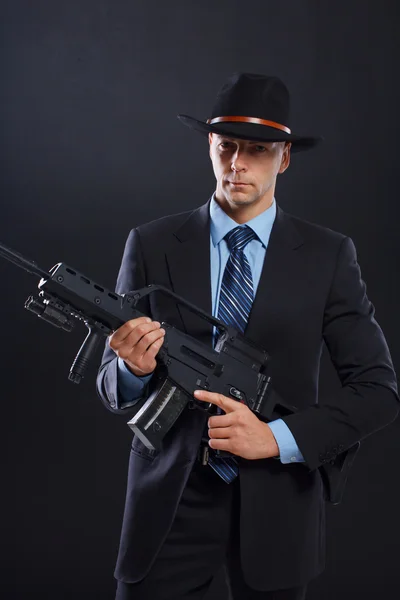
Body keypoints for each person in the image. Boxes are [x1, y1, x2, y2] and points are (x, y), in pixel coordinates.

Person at [96, 73, 399, 600]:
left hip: (278, 505)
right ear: (209, 147)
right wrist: (131, 368)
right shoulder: (150, 243)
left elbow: (378, 391)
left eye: (256, 150)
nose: (237, 163)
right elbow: (110, 385)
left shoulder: (328, 256)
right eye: (225, 146)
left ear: (284, 158)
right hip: (169, 503)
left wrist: (276, 439)